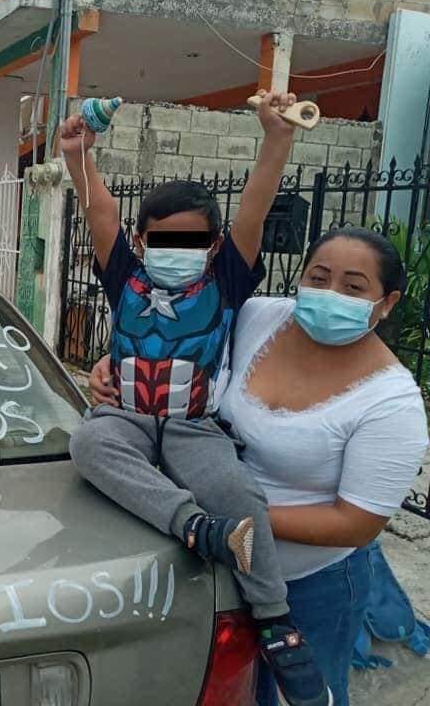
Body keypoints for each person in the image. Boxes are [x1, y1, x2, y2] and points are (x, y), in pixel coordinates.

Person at [61, 92, 336, 706]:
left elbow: (256, 209)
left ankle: (276, 623)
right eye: (163, 239)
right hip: (125, 415)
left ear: (213, 243)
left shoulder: (228, 278)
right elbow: (99, 211)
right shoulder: (123, 275)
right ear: (142, 237)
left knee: (240, 494)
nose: (176, 251)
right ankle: (198, 530)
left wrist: (277, 140)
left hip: (194, 424)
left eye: (192, 240)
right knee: (88, 443)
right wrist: (80, 158)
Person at [87, 227, 429, 706]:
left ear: (386, 302)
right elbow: (180, 347)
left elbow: (357, 523)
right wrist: (114, 366)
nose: (330, 294)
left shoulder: (390, 403)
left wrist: (240, 525)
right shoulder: (260, 318)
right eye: (319, 277)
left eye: (353, 287)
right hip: (208, 563)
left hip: (310, 585)